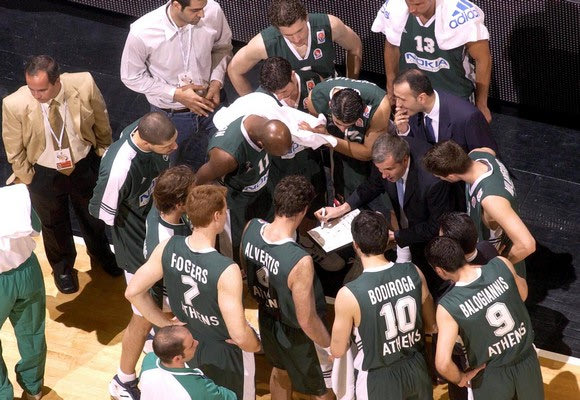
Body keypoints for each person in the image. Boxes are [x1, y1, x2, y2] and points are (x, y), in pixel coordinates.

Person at [125, 184, 261, 399]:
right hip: (224, 351)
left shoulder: (168, 246)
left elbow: (133, 292)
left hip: (190, 344)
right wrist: (257, 344)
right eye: (224, 210)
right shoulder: (226, 269)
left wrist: (165, 324)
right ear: (217, 216)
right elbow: (239, 335)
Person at [2, 55, 119, 294]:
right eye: (31, 89)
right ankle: (62, 267)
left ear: (57, 81)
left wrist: (103, 154)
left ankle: (101, 254)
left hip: (83, 164)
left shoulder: (84, 83)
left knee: (92, 215)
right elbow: (13, 147)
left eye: (42, 90)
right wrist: (28, 177)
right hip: (43, 173)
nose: (36, 95)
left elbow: (101, 119)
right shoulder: (14, 104)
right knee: (53, 223)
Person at [89, 111, 177, 400]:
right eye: (168, 146)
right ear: (148, 143)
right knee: (141, 316)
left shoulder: (151, 133)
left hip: (155, 233)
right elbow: (101, 213)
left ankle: (153, 334)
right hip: (135, 247)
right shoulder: (118, 169)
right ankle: (123, 379)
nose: (174, 148)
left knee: (160, 307)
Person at [316, 134, 455, 298]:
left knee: (431, 285)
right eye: (380, 170)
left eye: (388, 170)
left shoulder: (431, 181)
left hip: (432, 239)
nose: (384, 175)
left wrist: (396, 236)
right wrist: (342, 209)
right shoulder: (385, 160)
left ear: (404, 160)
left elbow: (435, 226)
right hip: (409, 225)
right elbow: (373, 185)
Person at [240, 175, 333, 399]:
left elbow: (245, 270)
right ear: (304, 210)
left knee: (280, 372)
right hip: (297, 333)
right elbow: (306, 319)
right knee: (324, 389)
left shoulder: (251, 228)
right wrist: (330, 346)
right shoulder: (299, 260)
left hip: (267, 318)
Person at [330, 210, 436, 399]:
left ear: (356, 245)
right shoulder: (414, 272)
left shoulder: (348, 294)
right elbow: (431, 326)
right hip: (417, 368)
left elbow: (337, 350)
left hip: (379, 378)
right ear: (387, 240)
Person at [426, 237, 544, 400]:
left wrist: (461, 379)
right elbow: (523, 294)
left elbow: (443, 364)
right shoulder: (501, 264)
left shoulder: (448, 306)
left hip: (491, 375)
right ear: (462, 254)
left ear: (440, 271)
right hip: (526, 361)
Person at [120, 0, 232, 169]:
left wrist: (216, 81)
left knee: (222, 160)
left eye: (203, 8)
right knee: (168, 170)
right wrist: (175, 93)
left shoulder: (213, 10)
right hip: (171, 115)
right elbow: (131, 77)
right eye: (195, 10)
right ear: (176, 5)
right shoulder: (142, 32)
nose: (202, 14)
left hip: (211, 103)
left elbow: (222, 47)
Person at [422, 140, 535, 277]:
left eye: (440, 177)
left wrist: (500, 263)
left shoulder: (491, 200)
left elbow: (527, 245)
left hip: (496, 264)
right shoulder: (479, 154)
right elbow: (490, 150)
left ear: (450, 176)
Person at [372, 0, 492, 122]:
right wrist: (391, 86)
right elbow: (392, 46)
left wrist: (482, 103)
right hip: (412, 92)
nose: (412, 9)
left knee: (455, 132)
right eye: (408, 3)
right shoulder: (394, 8)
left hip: (453, 91)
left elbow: (483, 59)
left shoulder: (461, 14)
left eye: (418, 4)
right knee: (407, 131)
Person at [194, 115, 292, 259]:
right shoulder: (226, 157)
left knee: (264, 230)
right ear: (261, 144)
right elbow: (199, 180)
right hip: (235, 200)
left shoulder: (265, 123)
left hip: (259, 188)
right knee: (232, 246)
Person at [228, 0, 362, 95]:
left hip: (328, 92)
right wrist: (252, 102)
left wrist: (349, 85)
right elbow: (234, 70)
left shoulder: (329, 25)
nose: (297, 39)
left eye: (300, 30)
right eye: (288, 35)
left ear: (306, 17)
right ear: (277, 29)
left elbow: (355, 46)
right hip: (289, 102)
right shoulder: (263, 44)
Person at [303, 77, 392, 198]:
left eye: (348, 125)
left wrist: (328, 139)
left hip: (370, 157)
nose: (342, 129)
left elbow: (368, 153)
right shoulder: (316, 98)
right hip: (338, 157)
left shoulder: (379, 106)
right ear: (330, 104)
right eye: (338, 123)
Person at [257, 56, 326, 212]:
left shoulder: (314, 82)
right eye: (276, 94)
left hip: (311, 161)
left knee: (315, 209)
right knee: (287, 211)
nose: (280, 97)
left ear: (293, 75)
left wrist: (316, 127)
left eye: (284, 91)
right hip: (282, 167)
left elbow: (328, 119)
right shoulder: (261, 99)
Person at [0, 184, 46, 400]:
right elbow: (36, 228)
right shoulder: (15, 195)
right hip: (28, 272)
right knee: (32, 334)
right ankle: (33, 389)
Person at [393, 69, 497, 151]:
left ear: (421, 98)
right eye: (396, 98)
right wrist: (405, 131)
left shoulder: (467, 117)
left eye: (402, 99)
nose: (398, 105)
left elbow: (487, 157)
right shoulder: (410, 113)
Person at [140, 325, 236, 400]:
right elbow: (230, 397)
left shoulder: (149, 359)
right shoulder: (198, 389)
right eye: (191, 345)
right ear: (177, 358)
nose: (197, 342)